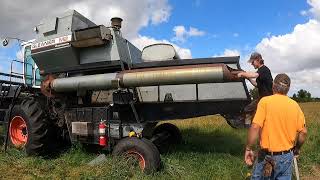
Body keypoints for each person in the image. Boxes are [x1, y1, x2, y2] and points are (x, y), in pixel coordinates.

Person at [244, 73, 307, 179]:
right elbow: (303, 132)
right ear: (288, 89)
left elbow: (255, 127)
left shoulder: (265, 102)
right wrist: (297, 148)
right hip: (287, 155)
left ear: (273, 85)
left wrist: (248, 148)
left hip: (266, 156)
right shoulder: (295, 105)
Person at [238, 52, 273, 126]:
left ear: (258, 60)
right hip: (263, 98)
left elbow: (254, 75)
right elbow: (257, 85)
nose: (251, 64)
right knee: (248, 110)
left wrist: (242, 74)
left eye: (252, 62)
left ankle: (251, 127)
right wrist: (248, 78)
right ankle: (248, 127)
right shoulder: (261, 71)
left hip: (267, 99)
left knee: (249, 110)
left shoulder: (263, 69)